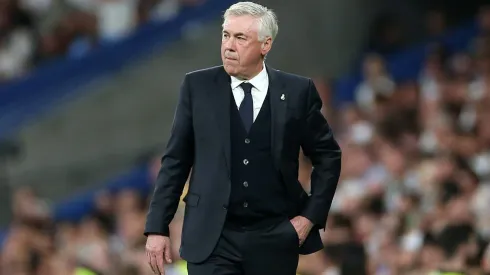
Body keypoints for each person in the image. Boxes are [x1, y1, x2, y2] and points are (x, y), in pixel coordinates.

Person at [144, 2, 342, 275]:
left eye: (240, 38)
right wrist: (157, 227)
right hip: (211, 239)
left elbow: (327, 155)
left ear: (266, 45)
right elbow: (176, 160)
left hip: (273, 237)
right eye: (225, 35)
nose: (228, 45)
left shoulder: (297, 92)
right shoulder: (197, 87)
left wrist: (309, 217)